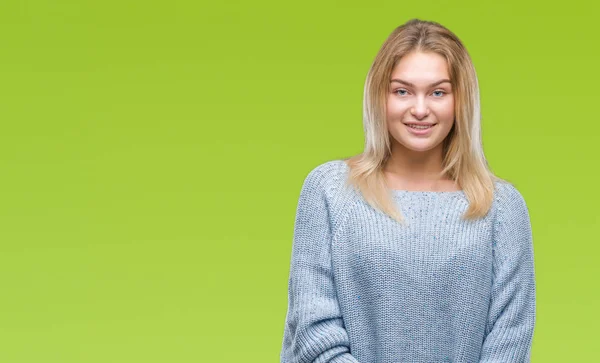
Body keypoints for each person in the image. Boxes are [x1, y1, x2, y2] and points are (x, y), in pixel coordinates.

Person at [279, 18, 536, 363]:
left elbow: (510, 338)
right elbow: (314, 331)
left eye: (438, 92)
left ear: (461, 101)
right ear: (379, 97)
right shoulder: (330, 191)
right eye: (402, 91)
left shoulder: (501, 207)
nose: (419, 109)